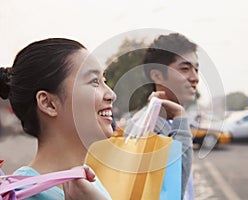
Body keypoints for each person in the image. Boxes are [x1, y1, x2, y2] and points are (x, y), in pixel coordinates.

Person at [0, 38, 116, 199]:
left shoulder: (90, 184)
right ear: (48, 103)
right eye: (94, 81)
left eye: (105, 81)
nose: (111, 95)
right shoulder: (22, 195)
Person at [142, 33, 199, 199]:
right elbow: (174, 189)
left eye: (196, 69)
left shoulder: (169, 121)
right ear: (157, 76)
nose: (195, 78)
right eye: (185, 69)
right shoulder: (147, 129)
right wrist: (180, 116)